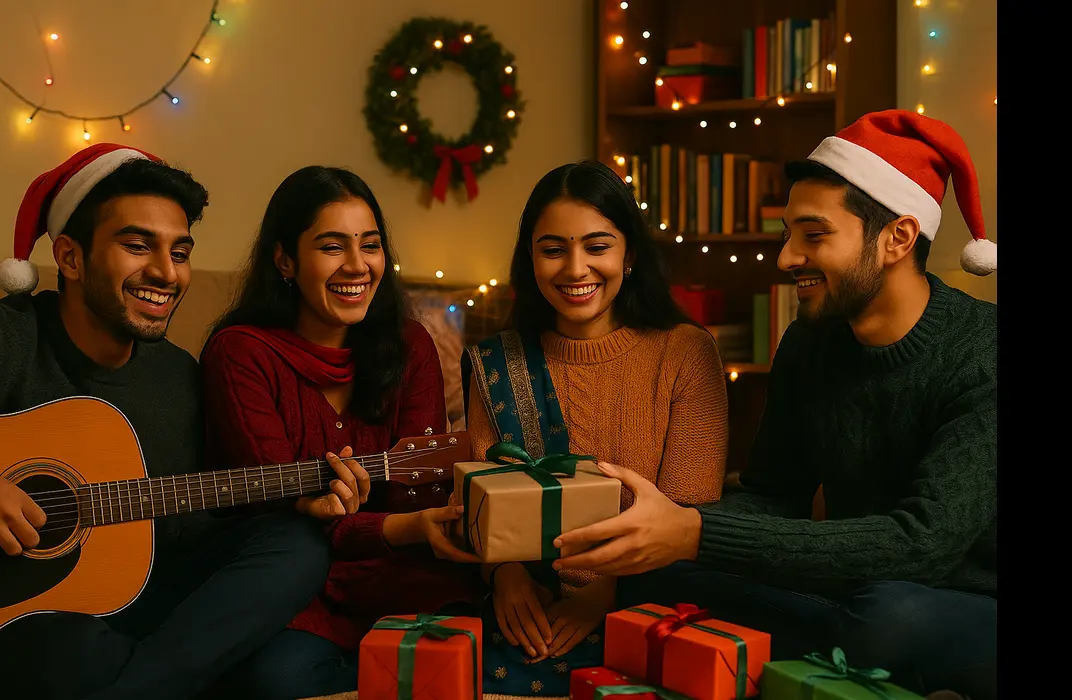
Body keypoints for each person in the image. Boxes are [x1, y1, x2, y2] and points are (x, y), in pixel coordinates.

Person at [552, 110, 997, 700]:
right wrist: (661, 529)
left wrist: (695, 533)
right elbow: (774, 494)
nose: (786, 258)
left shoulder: (982, 353)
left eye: (814, 235)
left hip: (959, 597)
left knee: (888, 620)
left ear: (898, 238)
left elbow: (924, 544)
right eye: (789, 234)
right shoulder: (810, 343)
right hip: (851, 583)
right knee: (647, 577)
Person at [0, 144, 330, 700]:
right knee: (72, 653)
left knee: (297, 545)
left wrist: (297, 493)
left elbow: (191, 532)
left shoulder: (180, 381)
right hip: (2, 627)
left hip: (126, 609)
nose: (165, 273)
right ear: (71, 258)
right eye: (137, 245)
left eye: (180, 251)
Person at [198, 165, 483, 699]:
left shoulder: (410, 344)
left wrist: (409, 526)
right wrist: (397, 525)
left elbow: (419, 492)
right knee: (279, 680)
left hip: (399, 572)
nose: (358, 266)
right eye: (332, 246)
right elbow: (280, 516)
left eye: (370, 245)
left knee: (484, 644)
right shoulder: (240, 354)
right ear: (285, 259)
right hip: (295, 589)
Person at [461, 160, 729, 696]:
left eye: (597, 246)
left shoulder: (686, 353)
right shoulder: (498, 364)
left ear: (628, 254)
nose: (575, 269)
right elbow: (484, 500)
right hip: (524, 602)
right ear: (530, 259)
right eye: (553, 249)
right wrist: (505, 576)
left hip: (649, 595)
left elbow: (687, 510)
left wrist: (601, 594)